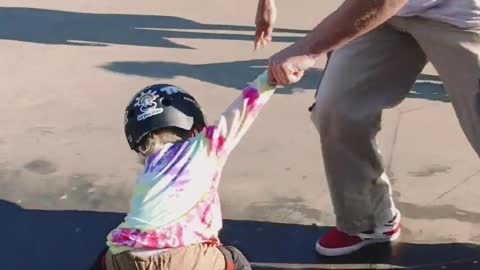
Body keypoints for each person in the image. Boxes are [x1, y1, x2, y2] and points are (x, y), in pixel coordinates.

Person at [254, 0, 480, 256]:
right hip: (383, 17)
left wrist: (309, 48)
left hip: (464, 17)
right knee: (338, 107)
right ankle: (369, 219)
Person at [103, 71, 275, 270]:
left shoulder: (150, 169)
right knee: (233, 259)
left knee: (106, 257)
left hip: (124, 253)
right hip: (181, 259)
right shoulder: (203, 147)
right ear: (194, 130)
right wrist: (271, 78)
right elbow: (243, 110)